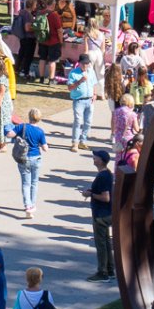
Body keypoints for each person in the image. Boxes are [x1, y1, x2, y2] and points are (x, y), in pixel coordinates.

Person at [13, 107, 47, 218]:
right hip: (36, 158)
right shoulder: (40, 132)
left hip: (24, 158)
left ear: (29, 116)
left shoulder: (22, 127)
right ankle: (32, 204)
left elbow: (9, 134)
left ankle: (27, 205)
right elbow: (45, 148)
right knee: (34, 183)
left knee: (25, 183)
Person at [87, 149, 115, 282]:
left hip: (101, 215)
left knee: (101, 244)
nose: (93, 158)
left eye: (96, 157)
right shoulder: (106, 174)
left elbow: (105, 197)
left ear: (101, 160)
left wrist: (90, 194)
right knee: (106, 242)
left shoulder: (103, 176)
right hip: (105, 213)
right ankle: (110, 269)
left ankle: (102, 272)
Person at [68, 53, 95, 149]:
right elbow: (69, 88)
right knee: (78, 121)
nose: (85, 65)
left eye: (87, 63)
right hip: (78, 101)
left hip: (89, 100)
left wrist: (94, 94)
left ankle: (83, 141)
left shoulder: (91, 71)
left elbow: (93, 84)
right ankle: (75, 142)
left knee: (88, 122)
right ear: (79, 63)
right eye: (83, 63)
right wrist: (80, 81)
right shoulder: (73, 73)